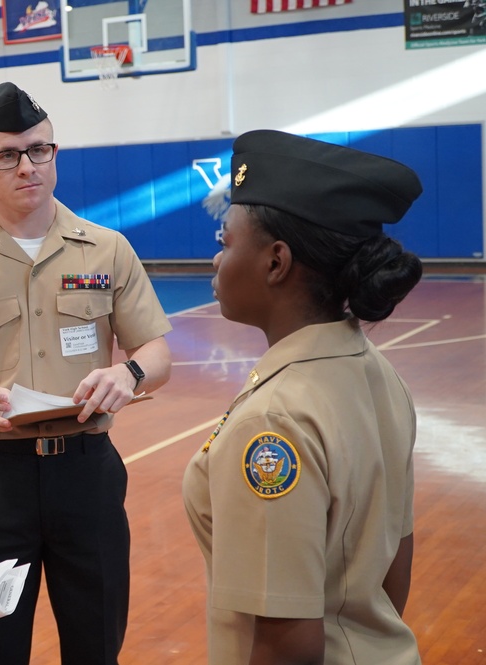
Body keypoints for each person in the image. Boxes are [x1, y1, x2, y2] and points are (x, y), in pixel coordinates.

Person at [0, 82, 173, 665]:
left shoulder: (107, 250)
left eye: (40, 149)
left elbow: (156, 351)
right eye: (7, 155)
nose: (27, 165)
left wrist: (128, 374)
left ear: (56, 155)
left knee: (96, 641)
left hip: (87, 473)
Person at [182, 129, 424, 664]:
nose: (216, 261)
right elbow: (394, 573)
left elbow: (286, 643)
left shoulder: (273, 421)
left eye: (225, 242)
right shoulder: (380, 374)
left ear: (276, 262)